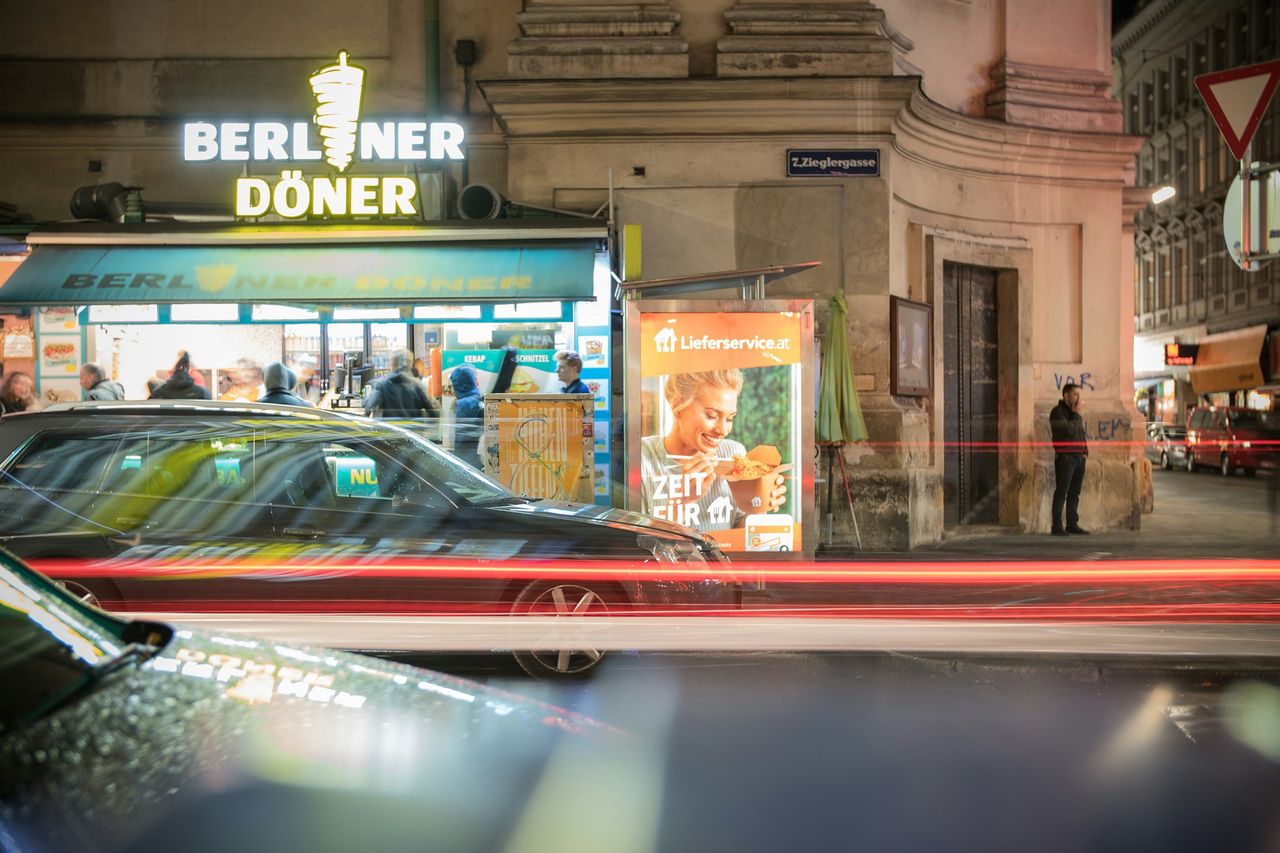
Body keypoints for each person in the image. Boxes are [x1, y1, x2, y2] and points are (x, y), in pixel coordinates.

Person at [640, 369, 786, 533]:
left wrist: (757, 504)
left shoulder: (733, 453)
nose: (723, 430)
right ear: (677, 408)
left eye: (730, 418)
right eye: (711, 415)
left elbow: (741, 537)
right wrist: (682, 499)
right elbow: (636, 544)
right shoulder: (641, 458)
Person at [1049, 382, 1089, 536]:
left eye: (1078, 394)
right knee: (1061, 492)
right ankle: (1056, 526)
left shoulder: (1074, 413)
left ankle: (1072, 523)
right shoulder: (1057, 412)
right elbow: (1067, 430)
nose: (1078, 397)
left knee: (1074, 493)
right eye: (1074, 394)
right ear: (1066, 395)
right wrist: (1076, 414)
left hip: (1079, 458)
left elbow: (1080, 432)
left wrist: (1085, 451)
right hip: (1066, 458)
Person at [364, 348, 437, 419]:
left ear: (392, 364)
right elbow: (435, 412)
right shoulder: (418, 385)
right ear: (410, 365)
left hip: (389, 430)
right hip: (413, 430)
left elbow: (368, 407)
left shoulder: (381, 384)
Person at [449, 364, 484, 469]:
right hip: (471, 462)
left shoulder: (458, 403)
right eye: (475, 379)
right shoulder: (471, 403)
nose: (477, 383)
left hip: (461, 458)